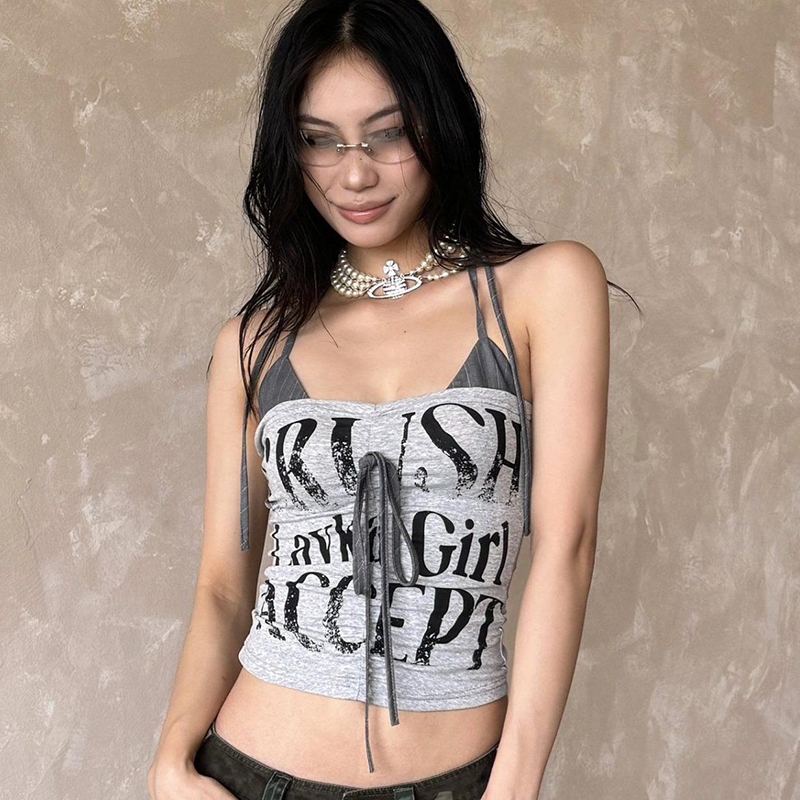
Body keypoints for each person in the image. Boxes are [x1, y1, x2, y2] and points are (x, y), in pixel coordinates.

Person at [148, 1, 623, 798]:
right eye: (318, 139)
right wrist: (169, 764)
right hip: (251, 772)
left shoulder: (543, 288)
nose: (355, 174)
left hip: (457, 778)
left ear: (441, 122)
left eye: (388, 133)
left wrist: (512, 788)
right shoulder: (253, 341)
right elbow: (223, 586)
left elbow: (566, 546)